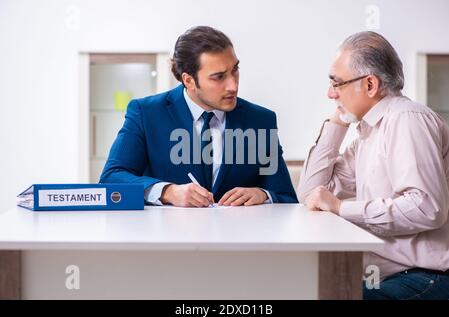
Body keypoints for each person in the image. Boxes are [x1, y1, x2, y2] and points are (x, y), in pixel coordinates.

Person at [298, 31, 449, 299]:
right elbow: (311, 193)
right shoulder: (368, 133)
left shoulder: (407, 120)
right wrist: (338, 122)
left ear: (369, 85)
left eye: (337, 84)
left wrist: (342, 208)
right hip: (389, 277)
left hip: (424, 277)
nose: (330, 93)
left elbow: (426, 207)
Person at [100, 26, 298, 207]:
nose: (233, 85)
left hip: (238, 240)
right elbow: (112, 177)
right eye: (219, 77)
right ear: (189, 80)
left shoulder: (260, 121)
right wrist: (167, 191)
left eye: (235, 70)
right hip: (168, 239)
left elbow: (285, 195)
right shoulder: (146, 113)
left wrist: (263, 194)